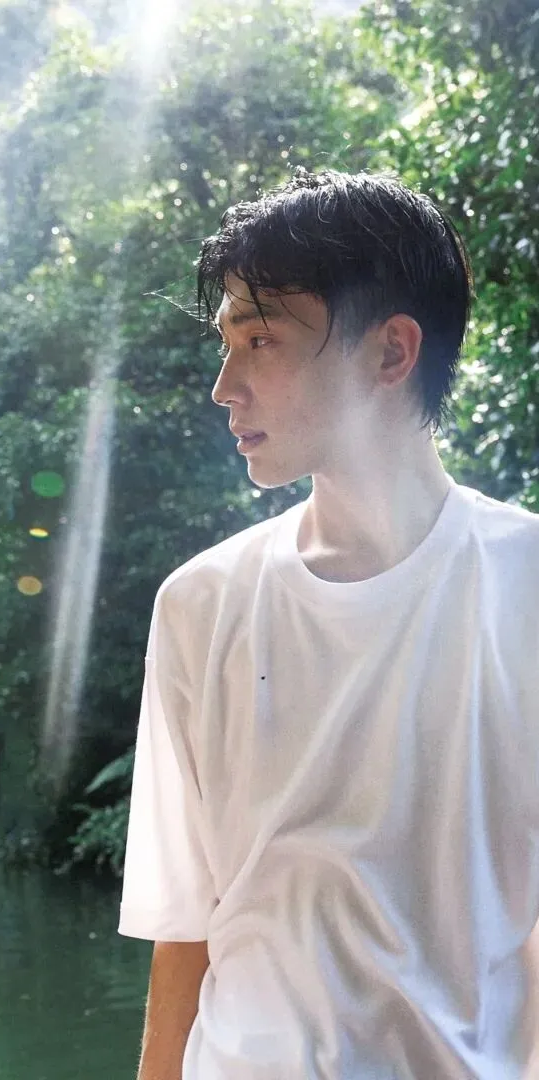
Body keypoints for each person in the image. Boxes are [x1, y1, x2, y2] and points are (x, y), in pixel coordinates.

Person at [118, 167, 539, 1078]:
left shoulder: (524, 582)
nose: (224, 385)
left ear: (391, 354)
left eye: (260, 339)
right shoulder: (200, 604)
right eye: (226, 343)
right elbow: (186, 930)